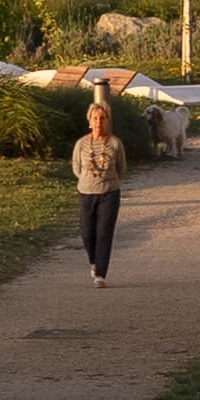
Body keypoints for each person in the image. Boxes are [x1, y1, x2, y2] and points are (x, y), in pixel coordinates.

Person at [71, 83, 130, 281]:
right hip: (86, 192)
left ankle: (100, 274)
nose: (98, 122)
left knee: (104, 233)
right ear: (89, 122)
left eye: (102, 118)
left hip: (109, 193)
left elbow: (122, 168)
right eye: (95, 118)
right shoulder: (81, 144)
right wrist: (88, 180)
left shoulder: (115, 143)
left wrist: (110, 181)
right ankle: (93, 262)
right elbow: (76, 168)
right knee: (87, 232)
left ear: (108, 121)